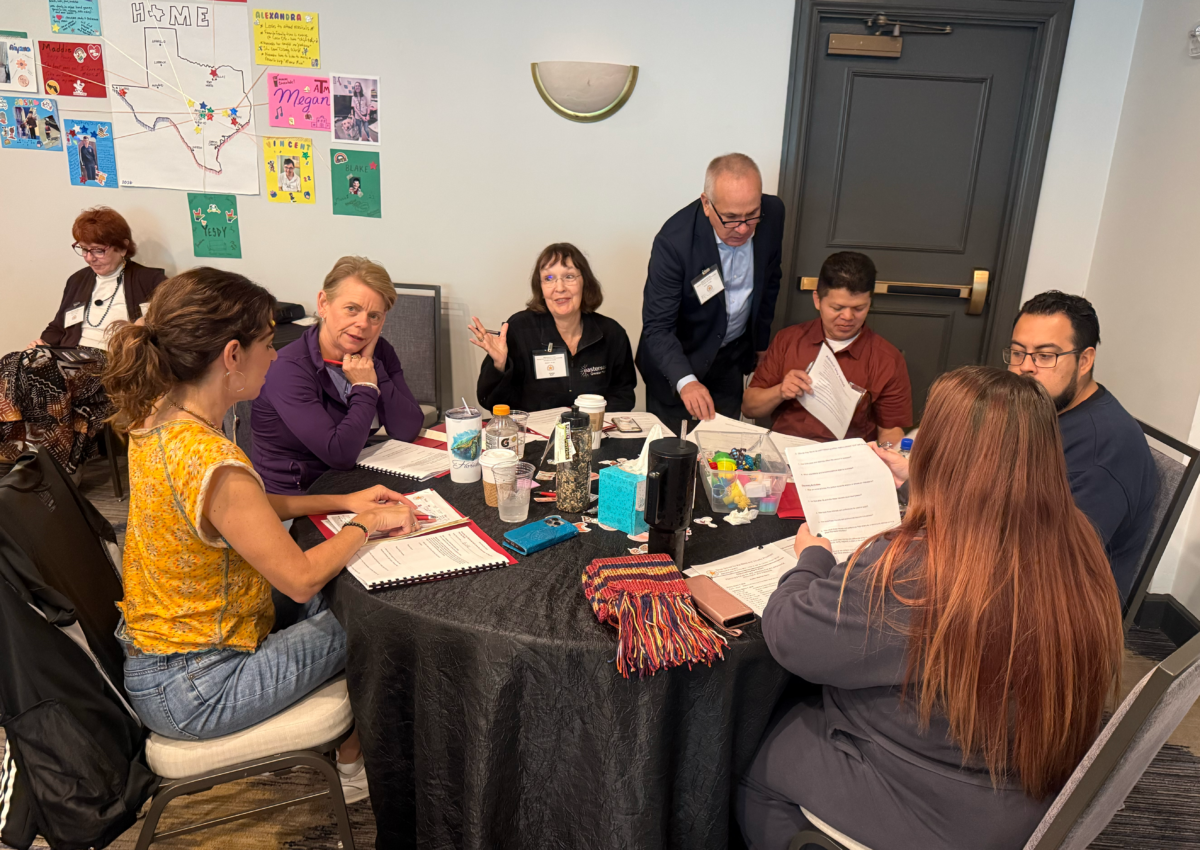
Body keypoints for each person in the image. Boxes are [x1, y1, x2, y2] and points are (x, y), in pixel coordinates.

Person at [738, 366, 1123, 850]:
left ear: (939, 453)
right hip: (1028, 795)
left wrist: (811, 557)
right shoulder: (1079, 542)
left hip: (930, 808)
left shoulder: (916, 571)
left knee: (754, 748)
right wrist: (917, 482)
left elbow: (791, 636)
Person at [103, 267, 419, 804]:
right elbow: (297, 581)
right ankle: (354, 763)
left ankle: (348, 745)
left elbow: (252, 507)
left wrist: (345, 501)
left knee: (345, 592)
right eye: (268, 344)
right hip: (199, 689)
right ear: (231, 356)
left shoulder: (161, 417)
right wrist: (366, 525)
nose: (276, 356)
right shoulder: (214, 458)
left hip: (166, 659)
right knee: (388, 622)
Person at [1006, 290, 1157, 601]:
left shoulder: (1102, 449)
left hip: (1057, 612)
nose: (1026, 367)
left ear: (1085, 360)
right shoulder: (1045, 409)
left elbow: (1045, 566)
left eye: (1045, 356)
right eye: (1018, 352)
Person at [1, 207, 166, 472]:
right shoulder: (77, 280)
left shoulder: (150, 279)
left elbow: (164, 326)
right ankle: (41, 459)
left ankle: (39, 461)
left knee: (43, 373)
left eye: (98, 250)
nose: (89, 258)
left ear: (122, 248)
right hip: (71, 358)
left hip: (115, 362)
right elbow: (59, 325)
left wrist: (143, 325)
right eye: (83, 249)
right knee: (12, 361)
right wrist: (41, 343)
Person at [252, 256, 424, 494]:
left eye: (374, 316)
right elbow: (339, 454)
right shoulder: (289, 368)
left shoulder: (380, 352)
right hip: (297, 498)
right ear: (323, 304)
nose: (362, 324)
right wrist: (365, 385)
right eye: (352, 309)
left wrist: (373, 367)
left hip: (352, 482)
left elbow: (407, 429)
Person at [636, 153, 785, 424]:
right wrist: (686, 381)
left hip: (729, 358)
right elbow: (657, 327)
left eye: (751, 216)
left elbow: (771, 280)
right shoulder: (674, 242)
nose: (742, 228)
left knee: (724, 455)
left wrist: (762, 343)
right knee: (673, 455)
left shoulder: (773, 214)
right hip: (679, 360)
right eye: (730, 218)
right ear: (707, 204)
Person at [742, 251, 911, 443]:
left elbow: (891, 431)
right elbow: (749, 407)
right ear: (817, 300)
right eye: (837, 308)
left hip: (846, 459)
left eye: (859, 308)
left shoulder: (886, 358)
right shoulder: (789, 339)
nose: (847, 317)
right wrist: (780, 391)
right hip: (786, 452)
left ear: (869, 302)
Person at [468, 242, 636, 414]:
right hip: (535, 436)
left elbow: (623, 396)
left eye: (569, 276)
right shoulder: (520, 329)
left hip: (593, 434)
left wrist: (591, 426)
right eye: (549, 279)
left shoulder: (611, 333)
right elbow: (492, 403)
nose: (560, 288)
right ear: (540, 288)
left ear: (585, 282)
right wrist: (499, 366)